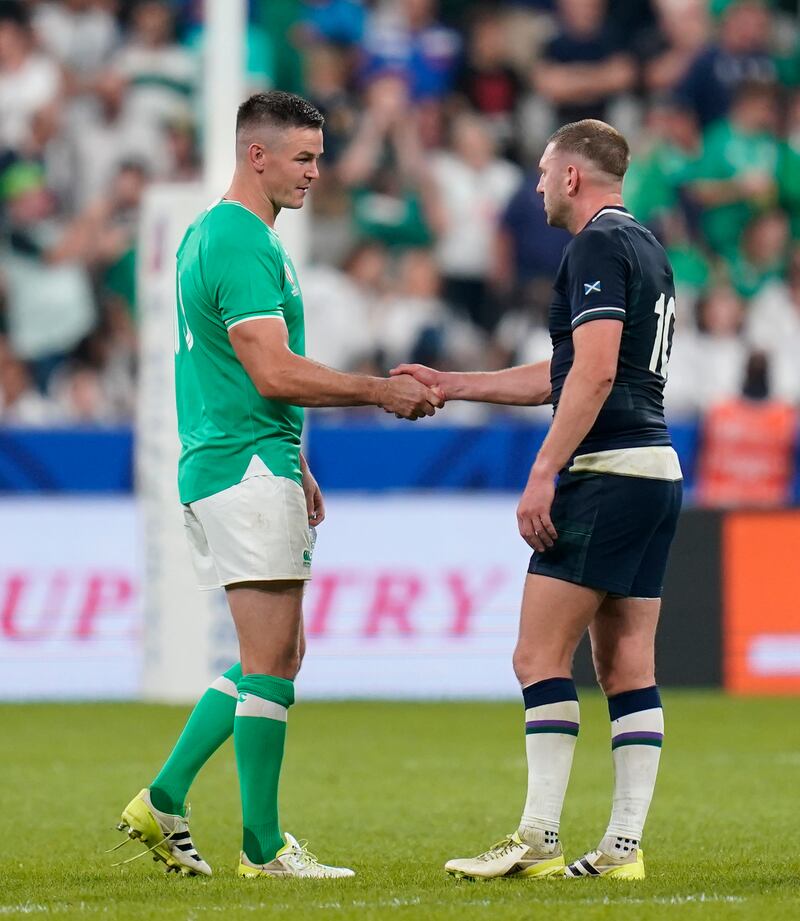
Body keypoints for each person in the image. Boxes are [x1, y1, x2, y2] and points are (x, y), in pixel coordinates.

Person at [114, 91, 442, 881]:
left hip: (249, 457)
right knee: (269, 661)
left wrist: (295, 458)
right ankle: (261, 845)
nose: (314, 172)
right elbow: (270, 366)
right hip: (241, 464)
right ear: (255, 154)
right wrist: (379, 390)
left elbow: (237, 372)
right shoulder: (240, 240)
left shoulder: (220, 234)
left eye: (318, 157)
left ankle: (163, 798)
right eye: (302, 157)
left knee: (281, 653)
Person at [394, 119, 682, 880]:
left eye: (546, 172)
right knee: (626, 665)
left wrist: (544, 469)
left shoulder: (592, 247)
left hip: (605, 469)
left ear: (575, 177)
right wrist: (455, 385)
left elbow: (588, 378)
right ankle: (623, 849)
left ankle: (538, 837)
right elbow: (563, 373)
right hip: (654, 470)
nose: (537, 186)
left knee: (536, 653)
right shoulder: (646, 247)